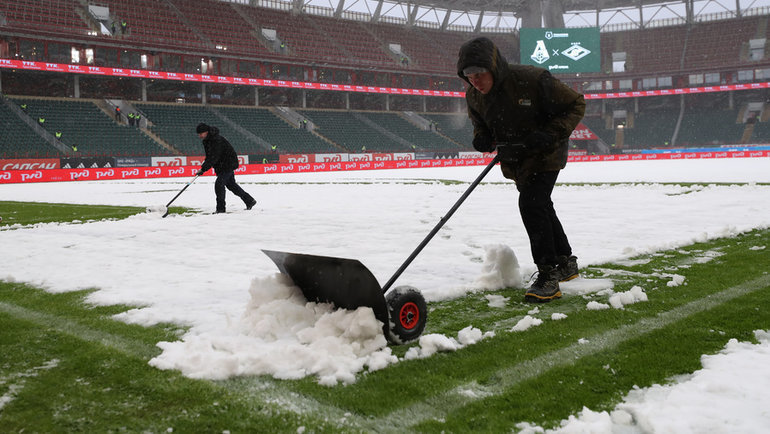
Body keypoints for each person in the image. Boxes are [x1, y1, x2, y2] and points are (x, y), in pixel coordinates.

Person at [457, 37, 586, 303]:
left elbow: (576, 104)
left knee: (531, 203)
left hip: (547, 152)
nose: (475, 81)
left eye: (479, 73)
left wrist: (550, 133)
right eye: (469, 76)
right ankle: (565, 262)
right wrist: (482, 137)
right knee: (541, 204)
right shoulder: (474, 96)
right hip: (516, 159)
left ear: (493, 67)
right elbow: (481, 124)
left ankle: (548, 274)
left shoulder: (532, 79)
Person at [195, 123, 257, 213]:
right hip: (221, 165)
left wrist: (204, 168)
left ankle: (221, 209)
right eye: (199, 134)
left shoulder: (216, 140)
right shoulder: (207, 141)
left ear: (207, 132)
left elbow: (214, 156)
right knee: (231, 185)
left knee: (219, 184)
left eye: (201, 134)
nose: (199, 136)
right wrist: (203, 168)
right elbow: (209, 156)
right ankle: (249, 200)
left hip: (228, 163)